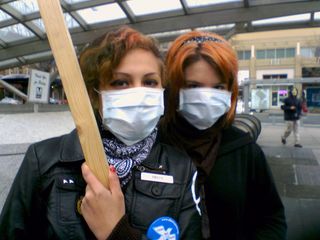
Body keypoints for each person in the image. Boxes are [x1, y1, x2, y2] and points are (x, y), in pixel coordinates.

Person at [0, 26, 201, 239]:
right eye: (120, 82)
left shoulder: (181, 168)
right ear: (95, 94)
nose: (138, 92)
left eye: (150, 82)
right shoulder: (44, 160)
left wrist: (116, 231)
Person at [160, 30, 287, 239]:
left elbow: (271, 219)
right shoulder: (151, 145)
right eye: (193, 86)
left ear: (230, 90)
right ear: (174, 89)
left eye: (218, 87)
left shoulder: (243, 149)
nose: (207, 97)